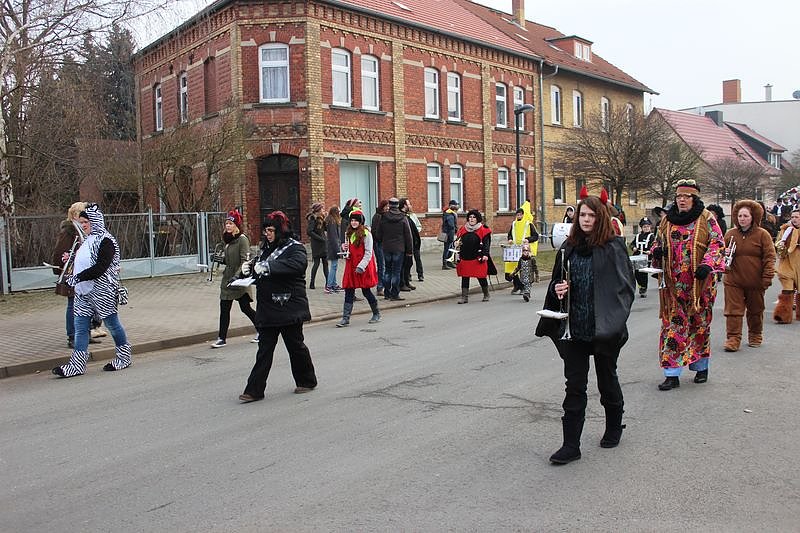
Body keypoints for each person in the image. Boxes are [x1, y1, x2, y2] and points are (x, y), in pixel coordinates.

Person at [535, 195, 635, 464]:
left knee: (607, 380)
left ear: (600, 217)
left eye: (591, 216)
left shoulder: (613, 247)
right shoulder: (569, 247)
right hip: (575, 328)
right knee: (574, 386)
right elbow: (558, 280)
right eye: (582, 216)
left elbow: (626, 288)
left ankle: (614, 425)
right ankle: (571, 445)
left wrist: (613, 318)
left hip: (603, 328)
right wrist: (558, 289)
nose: (587, 220)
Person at [650, 179, 724, 390]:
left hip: (699, 286)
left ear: (694, 198)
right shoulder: (667, 221)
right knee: (672, 327)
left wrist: (708, 265)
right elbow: (658, 242)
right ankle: (671, 374)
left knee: (698, 326)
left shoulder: (706, 218)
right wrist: (657, 252)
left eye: (686, 197)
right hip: (673, 286)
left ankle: (701, 367)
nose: (682, 200)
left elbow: (718, 244)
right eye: (679, 196)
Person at [237, 211, 318, 402]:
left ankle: (307, 380)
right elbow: (259, 270)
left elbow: (297, 265)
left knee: (295, 346)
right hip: (267, 308)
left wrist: (268, 267)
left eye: (271, 230)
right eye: (266, 230)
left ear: (281, 230)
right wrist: (245, 272)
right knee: (264, 350)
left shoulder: (295, 248)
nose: (268, 234)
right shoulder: (266, 249)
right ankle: (254, 390)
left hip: (289, 305)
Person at [53, 204, 132, 377]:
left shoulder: (107, 241)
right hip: (83, 292)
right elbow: (86, 260)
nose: (83, 225)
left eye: (85, 222)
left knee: (112, 324)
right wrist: (71, 258)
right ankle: (77, 365)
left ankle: (124, 356)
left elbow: (100, 267)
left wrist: (78, 278)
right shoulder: (87, 240)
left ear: (95, 221)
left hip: (102, 291)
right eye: (81, 222)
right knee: (80, 328)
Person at [721, 200, 775, 350]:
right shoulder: (730, 234)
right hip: (733, 280)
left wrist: (767, 277)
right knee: (733, 310)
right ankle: (733, 338)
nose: (742, 219)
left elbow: (770, 257)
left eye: (745, 216)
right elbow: (718, 253)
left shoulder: (763, 235)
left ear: (753, 217)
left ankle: (755, 334)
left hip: (755, 281)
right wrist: (722, 252)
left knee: (755, 310)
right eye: (739, 216)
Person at [211, 210, 257, 348]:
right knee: (224, 308)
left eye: (230, 223)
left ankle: (262, 329)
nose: (228, 226)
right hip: (227, 280)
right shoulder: (228, 240)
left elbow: (244, 260)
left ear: (236, 225)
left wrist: (238, 276)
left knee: (245, 308)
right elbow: (229, 260)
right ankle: (221, 338)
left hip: (239, 280)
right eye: (226, 223)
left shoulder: (242, 239)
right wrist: (219, 259)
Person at [336, 209, 381, 327]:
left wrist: (361, 266)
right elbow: (348, 250)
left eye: (356, 221)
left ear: (360, 222)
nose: (354, 223)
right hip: (351, 265)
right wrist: (344, 248)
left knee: (366, 291)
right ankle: (345, 318)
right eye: (352, 220)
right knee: (349, 290)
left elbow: (368, 252)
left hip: (363, 265)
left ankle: (376, 313)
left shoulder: (367, 234)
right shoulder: (348, 233)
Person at [51, 201, 87, 348]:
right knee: (73, 304)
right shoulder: (69, 231)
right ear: (75, 215)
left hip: (81, 272)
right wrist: (61, 269)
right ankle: (72, 336)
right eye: (82, 214)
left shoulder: (81, 230)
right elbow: (60, 252)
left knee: (84, 303)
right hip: (72, 272)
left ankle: (85, 333)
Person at [374, 197, 412, 301]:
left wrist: (384, 240)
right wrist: (409, 251)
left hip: (386, 248)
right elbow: (408, 236)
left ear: (389, 205)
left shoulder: (383, 218)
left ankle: (387, 293)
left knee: (387, 271)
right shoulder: (403, 218)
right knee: (396, 271)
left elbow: (378, 234)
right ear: (397, 205)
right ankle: (395, 294)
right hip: (399, 248)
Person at [455, 209, 494, 304]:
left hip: (478, 257)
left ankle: (486, 294)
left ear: (477, 219)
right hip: (465, 256)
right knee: (465, 276)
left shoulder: (483, 229)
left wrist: (485, 254)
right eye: (470, 217)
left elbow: (486, 244)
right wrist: (456, 244)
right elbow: (458, 241)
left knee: (481, 276)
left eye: (474, 217)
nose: (471, 219)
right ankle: (464, 297)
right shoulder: (463, 229)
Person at [773, 208, 800, 324]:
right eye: (792, 217)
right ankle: (783, 315)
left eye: (797, 217)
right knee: (787, 290)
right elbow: (778, 244)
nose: (794, 219)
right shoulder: (785, 230)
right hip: (787, 264)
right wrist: (782, 244)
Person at [506, 205, 539, 294]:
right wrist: (509, 239)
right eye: (517, 215)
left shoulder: (529, 224)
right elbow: (510, 234)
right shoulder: (514, 224)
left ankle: (524, 287)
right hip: (514, 250)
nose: (519, 217)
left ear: (523, 215)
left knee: (524, 269)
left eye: (520, 215)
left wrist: (528, 239)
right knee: (510, 269)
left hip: (525, 250)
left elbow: (536, 236)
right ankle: (517, 285)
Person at [399, 198, 423, 290]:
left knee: (409, 264)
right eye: (408, 204)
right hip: (404, 246)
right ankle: (402, 284)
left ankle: (406, 282)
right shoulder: (402, 217)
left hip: (412, 244)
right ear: (404, 206)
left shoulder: (408, 216)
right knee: (404, 265)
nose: (410, 206)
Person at [630, 217, 656, 298]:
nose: (646, 228)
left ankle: (644, 288)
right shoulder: (638, 236)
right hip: (637, 258)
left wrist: (650, 251)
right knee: (637, 273)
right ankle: (641, 286)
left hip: (646, 258)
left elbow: (654, 245)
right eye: (644, 227)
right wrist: (633, 247)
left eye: (648, 226)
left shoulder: (652, 236)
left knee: (643, 273)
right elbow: (632, 244)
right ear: (641, 228)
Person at [306, 202, 328, 289]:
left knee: (325, 263)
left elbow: (325, 229)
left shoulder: (321, 218)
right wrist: (320, 238)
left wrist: (325, 220)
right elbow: (309, 231)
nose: (323, 210)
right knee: (316, 263)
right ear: (318, 210)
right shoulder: (313, 219)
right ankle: (312, 283)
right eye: (322, 209)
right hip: (317, 244)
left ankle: (328, 283)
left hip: (323, 244)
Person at [371, 200, 389, 296]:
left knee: (383, 265)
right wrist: (381, 238)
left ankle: (383, 285)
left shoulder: (384, 216)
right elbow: (375, 231)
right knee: (382, 265)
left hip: (383, 244)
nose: (388, 208)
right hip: (379, 244)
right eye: (386, 206)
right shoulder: (378, 216)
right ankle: (380, 287)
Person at [324, 206, 343, 294]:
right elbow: (334, 236)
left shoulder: (331, 220)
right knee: (334, 266)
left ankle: (334, 284)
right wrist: (337, 249)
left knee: (334, 266)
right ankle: (329, 286)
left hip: (332, 246)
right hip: (333, 247)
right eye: (338, 211)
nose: (339, 213)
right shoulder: (332, 221)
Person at [441, 199, 459, 269]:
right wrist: (455, 229)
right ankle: (444, 264)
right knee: (447, 249)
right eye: (455, 205)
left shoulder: (452, 213)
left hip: (451, 234)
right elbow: (451, 225)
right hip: (448, 234)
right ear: (451, 206)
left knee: (450, 248)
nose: (457, 206)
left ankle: (449, 262)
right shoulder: (448, 213)